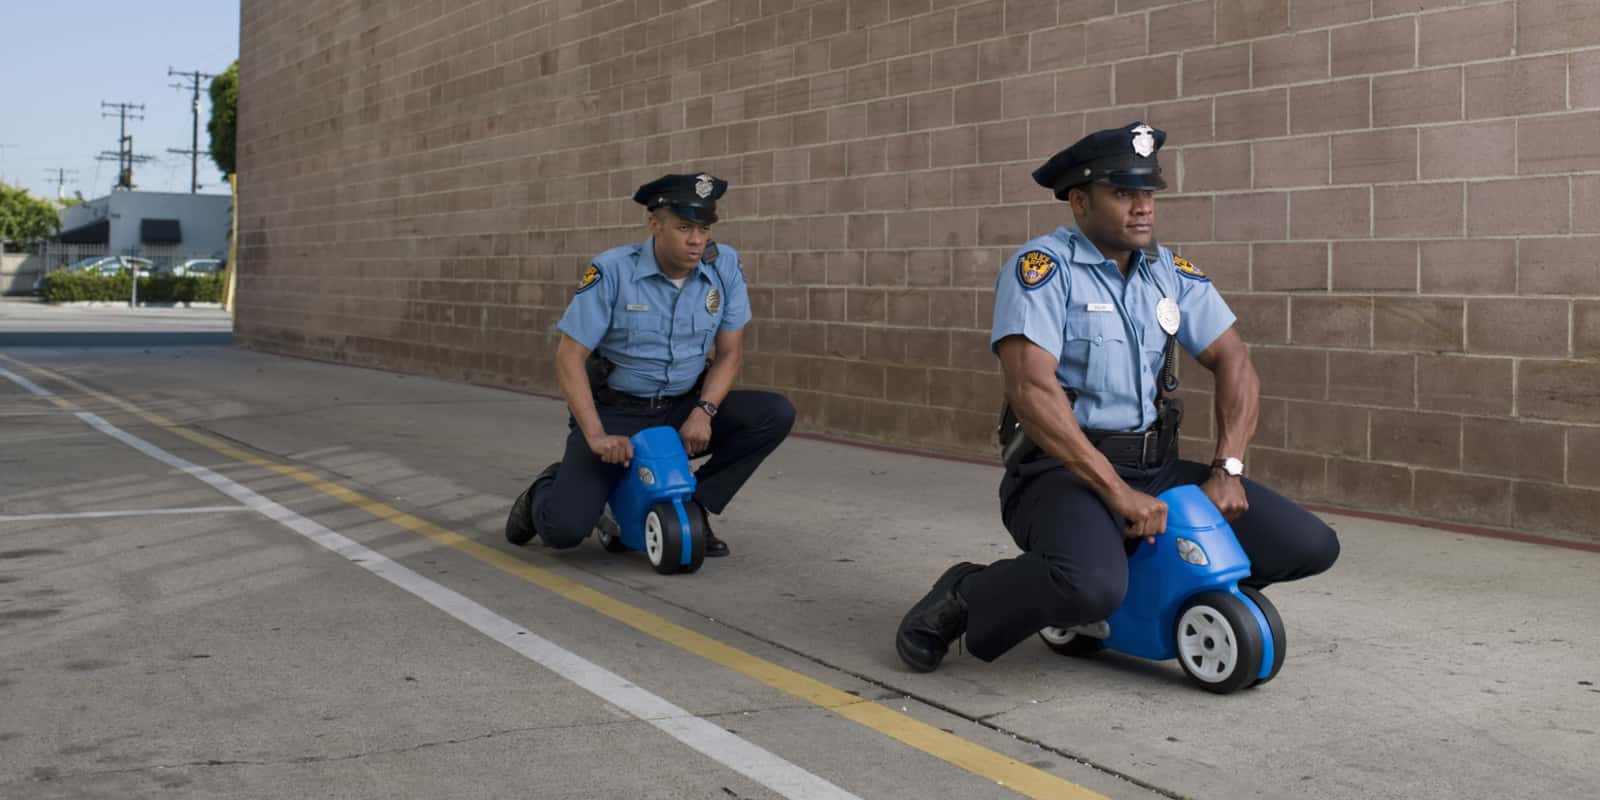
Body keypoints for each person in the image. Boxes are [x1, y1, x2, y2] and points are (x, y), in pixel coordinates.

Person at [894, 122, 1340, 672]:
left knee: (1309, 545)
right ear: (1080, 202)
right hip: (1061, 475)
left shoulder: (1169, 273)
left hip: (1154, 469)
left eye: (1148, 193)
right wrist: (1113, 490)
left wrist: (1227, 466)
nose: (1143, 208)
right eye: (1123, 193)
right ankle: (968, 593)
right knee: (1088, 584)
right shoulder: (1043, 270)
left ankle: (1138, 596)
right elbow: (1031, 390)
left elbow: (1235, 360)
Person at [505, 173, 795, 558]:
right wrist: (595, 436)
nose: (696, 240)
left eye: (704, 228)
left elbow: (730, 354)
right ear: (654, 224)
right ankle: (545, 488)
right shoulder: (612, 271)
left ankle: (694, 507)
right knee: (564, 530)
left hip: (681, 409)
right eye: (684, 227)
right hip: (616, 415)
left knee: (773, 413)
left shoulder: (723, 267)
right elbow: (568, 356)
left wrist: (704, 412)